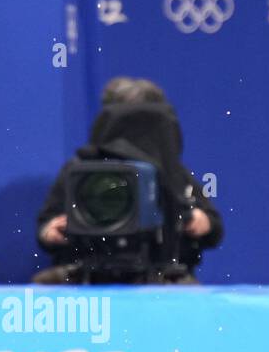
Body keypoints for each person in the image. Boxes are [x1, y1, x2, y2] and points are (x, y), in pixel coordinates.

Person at [33, 77, 224, 284]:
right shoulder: (79, 172)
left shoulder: (175, 175)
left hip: (162, 279)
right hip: (88, 277)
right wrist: (50, 231)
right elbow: (46, 227)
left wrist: (203, 223)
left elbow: (214, 230)